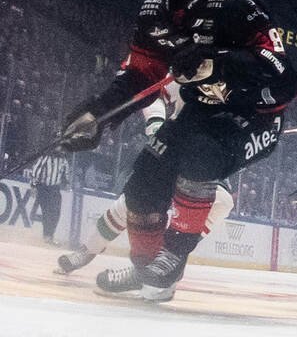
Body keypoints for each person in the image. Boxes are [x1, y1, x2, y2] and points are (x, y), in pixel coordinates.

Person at [53, 0, 297, 301]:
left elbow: (286, 78)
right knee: (143, 182)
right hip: (202, 112)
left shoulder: (239, 3)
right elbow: (140, 77)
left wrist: (216, 62)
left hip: (256, 115)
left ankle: (172, 257)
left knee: (200, 156)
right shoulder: (155, 10)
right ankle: (147, 271)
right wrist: (96, 115)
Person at [56, 94, 235, 275]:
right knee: (131, 202)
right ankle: (89, 250)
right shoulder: (189, 71)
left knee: (221, 201)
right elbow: (155, 93)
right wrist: (155, 124)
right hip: (173, 144)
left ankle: (164, 260)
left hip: (205, 156)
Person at [26, 149, 70, 244]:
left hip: (55, 189)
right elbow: (35, 172)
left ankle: (50, 235)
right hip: (44, 187)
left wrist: (67, 183)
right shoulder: (46, 157)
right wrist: (33, 186)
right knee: (47, 213)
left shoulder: (63, 160)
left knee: (56, 213)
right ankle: (47, 236)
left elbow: (66, 173)